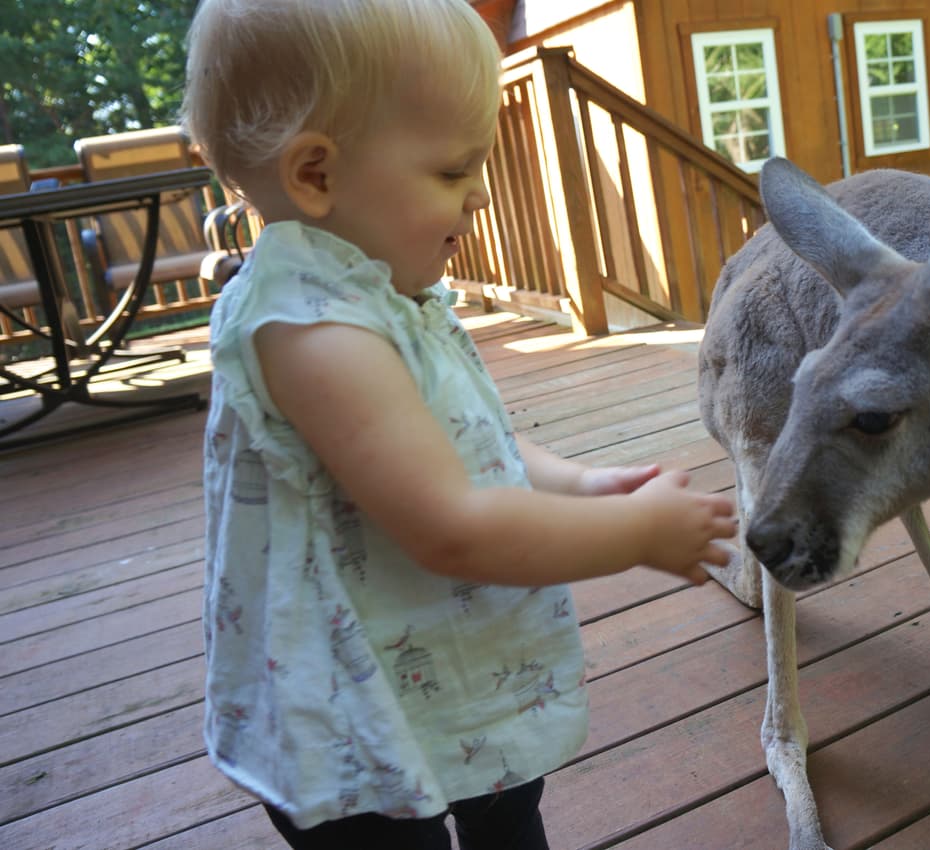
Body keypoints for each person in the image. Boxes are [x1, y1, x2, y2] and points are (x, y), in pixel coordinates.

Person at [181, 0, 737, 847]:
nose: (478, 194)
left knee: (509, 808)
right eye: (451, 171)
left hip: (432, 659)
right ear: (317, 176)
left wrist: (581, 485)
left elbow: (468, 447)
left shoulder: (381, 296)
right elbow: (450, 526)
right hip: (352, 706)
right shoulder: (314, 330)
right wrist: (631, 536)